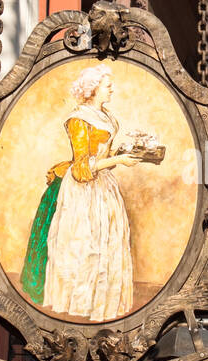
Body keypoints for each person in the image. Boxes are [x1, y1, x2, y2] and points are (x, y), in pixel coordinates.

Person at [20, 64, 145, 320]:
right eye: (107, 85)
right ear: (93, 88)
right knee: (82, 245)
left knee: (105, 244)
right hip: (82, 192)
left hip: (105, 188)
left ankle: (99, 304)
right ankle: (79, 305)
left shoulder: (109, 118)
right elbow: (81, 169)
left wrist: (124, 153)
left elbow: (104, 155)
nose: (111, 89)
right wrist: (118, 162)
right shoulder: (78, 120)